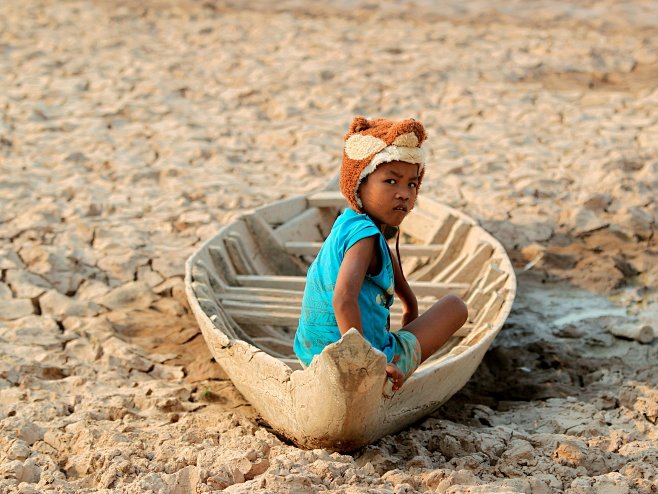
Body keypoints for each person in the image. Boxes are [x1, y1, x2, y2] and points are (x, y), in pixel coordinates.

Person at [293, 116, 468, 390]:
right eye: (391, 181)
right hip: (352, 363)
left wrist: (410, 310)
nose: (404, 194)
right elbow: (342, 299)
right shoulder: (366, 238)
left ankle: (382, 354)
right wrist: (365, 364)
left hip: (311, 354)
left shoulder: (348, 224)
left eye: (412, 184)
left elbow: (406, 296)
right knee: (455, 307)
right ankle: (387, 363)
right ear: (359, 184)